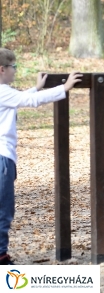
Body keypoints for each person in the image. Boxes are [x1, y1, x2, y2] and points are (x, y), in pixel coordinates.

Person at [0, 48, 81, 266]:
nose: (15, 71)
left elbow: (22, 98)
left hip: (4, 159)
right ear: (2, 70)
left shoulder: (5, 94)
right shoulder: (2, 91)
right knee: (3, 210)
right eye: (14, 67)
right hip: (2, 159)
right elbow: (31, 101)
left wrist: (36, 87)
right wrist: (64, 88)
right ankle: (1, 257)